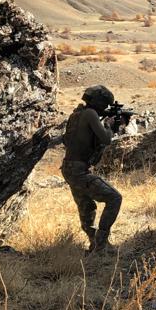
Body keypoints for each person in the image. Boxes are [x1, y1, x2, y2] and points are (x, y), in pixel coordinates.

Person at [61, 85, 123, 253]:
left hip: (68, 168)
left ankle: (93, 242)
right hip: (79, 170)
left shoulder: (76, 114)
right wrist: (109, 125)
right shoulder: (90, 114)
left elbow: (69, 140)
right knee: (114, 198)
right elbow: (106, 139)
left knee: (86, 206)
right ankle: (101, 244)